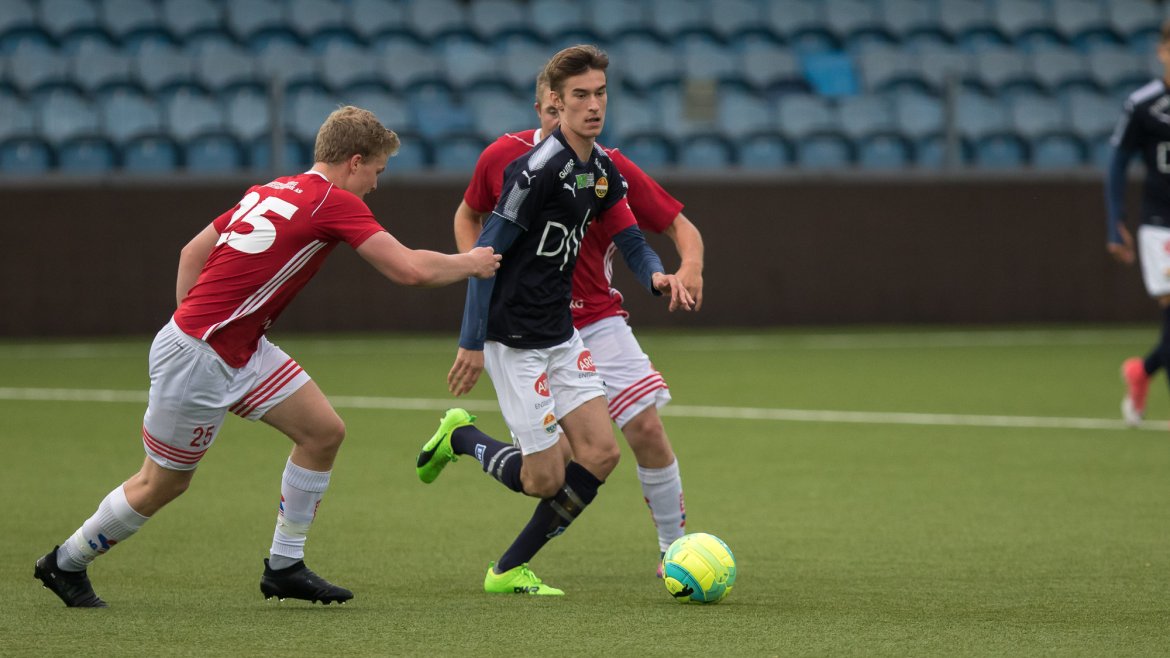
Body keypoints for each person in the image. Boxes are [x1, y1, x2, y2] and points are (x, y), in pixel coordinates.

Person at [33, 106, 501, 608]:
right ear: (355, 161)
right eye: (377, 172)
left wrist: (211, 329)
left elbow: (191, 253)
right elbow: (408, 270)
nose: (376, 186)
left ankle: (284, 566)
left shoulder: (273, 187)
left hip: (236, 348)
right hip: (203, 355)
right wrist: (471, 263)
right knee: (162, 482)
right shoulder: (333, 201)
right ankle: (65, 562)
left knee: (323, 433)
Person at [415, 45, 695, 595]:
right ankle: (464, 436)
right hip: (513, 336)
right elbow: (484, 257)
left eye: (600, 94)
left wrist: (656, 275)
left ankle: (508, 569)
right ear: (555, 104)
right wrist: (472, 341)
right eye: (580, 97)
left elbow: (632, 237)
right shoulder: (533, 171)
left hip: (562, 335)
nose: (594, 106)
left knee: (602, 452)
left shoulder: (601, 167)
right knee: (544, 477)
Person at [1106, 21, 1170, 428]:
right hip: (1160, 225)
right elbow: (1117, 161)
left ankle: (1142, 372)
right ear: (1163, 52)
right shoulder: (1144, 104)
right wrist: (1116, 222)